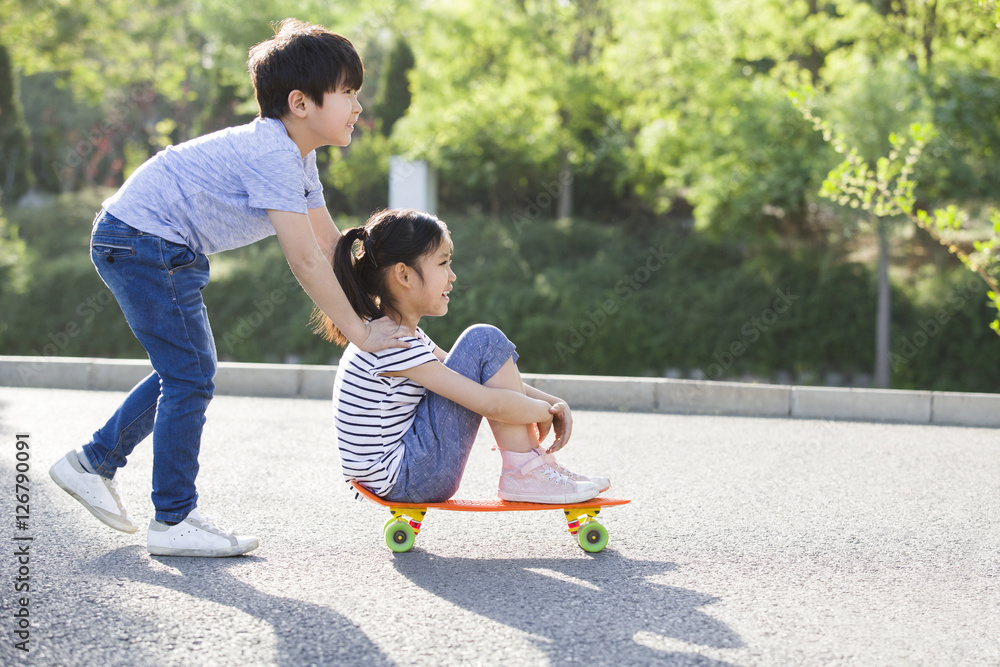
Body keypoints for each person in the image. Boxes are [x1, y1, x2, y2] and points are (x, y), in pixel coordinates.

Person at [48, 19, 410, 557]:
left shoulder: (296, 155)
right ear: (301, 102)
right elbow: (305, 261)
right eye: (348, 92)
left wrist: (381, 307)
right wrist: (360, 332)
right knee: (190, 376)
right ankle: (172, 520)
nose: (358, 106)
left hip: (150, 243)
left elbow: (329, 243)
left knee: (186, 373)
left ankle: (94, 463)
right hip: (144, 242)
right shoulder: (273, 153)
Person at [322, 208, 610, 504]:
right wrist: (547, 413)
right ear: (404, 275)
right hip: (407, 477)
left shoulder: (394, 334)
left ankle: (534, 468)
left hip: (403, 471)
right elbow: (491, 403)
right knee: (484, 340)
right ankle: (525, 473)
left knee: (483, 345)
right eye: (443, 263)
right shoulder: (393, 343)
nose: (452, 276)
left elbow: (475, 377)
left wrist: (552, 402)